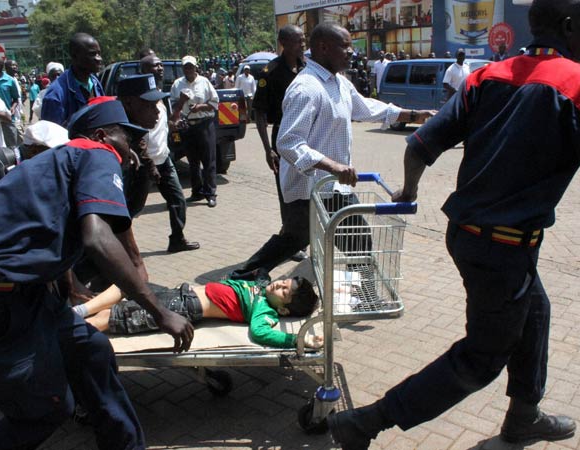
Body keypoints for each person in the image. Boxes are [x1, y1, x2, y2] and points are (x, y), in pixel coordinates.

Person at [328, 0, 580, 448]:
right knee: (482, 356)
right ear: (567, 26)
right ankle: (367, 422)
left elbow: (419, 145)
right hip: (504, 246)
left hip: (467, 236)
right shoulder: (575, 85)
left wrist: (409, 192)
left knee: (535, 311)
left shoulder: (487, 76)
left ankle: (525, 415)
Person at [0, 98, 194, 450]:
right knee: (46, 410)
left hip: (25, 293)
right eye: (127, 136)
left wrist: (68, 287)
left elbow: (52, 232)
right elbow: (97, 238)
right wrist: (160, 311)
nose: (134, 146)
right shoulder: (96, 153)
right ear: (101, 136)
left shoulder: (65, 162)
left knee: (92, 349)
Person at [233, 24, 434, 277]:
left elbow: (366, 107)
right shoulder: (306, 88)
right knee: (344, 239)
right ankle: (243, 278)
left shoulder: (338, 82)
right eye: (345, 46)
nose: (351, 52)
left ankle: (244, 276)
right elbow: (288, 142)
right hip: (312, 186)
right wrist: (333, 166)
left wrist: (414, 114)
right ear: (323, 48)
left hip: (330, 186)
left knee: (313, 239)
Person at [74, 275, 323, 349]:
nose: (279, 285)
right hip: (179, 294)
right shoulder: (262, 288)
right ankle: (77, 312)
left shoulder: (266, 310)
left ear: (283, 308)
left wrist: (298, 339)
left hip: (180, 307)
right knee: (126, 284)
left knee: (111, 318)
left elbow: (260, 334)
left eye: (284, 293)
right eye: (284, 282)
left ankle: (64, 333)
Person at [119, 69, 200, 253]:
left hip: (164, 160)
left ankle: (177, 240)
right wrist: (149, 166)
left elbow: (168, 124)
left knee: (178, 200)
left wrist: (179, 111)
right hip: (142, 166)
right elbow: (138, 142)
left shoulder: (159, 103)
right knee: (132, 207)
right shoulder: (120, 128)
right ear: (130, 102)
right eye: (152, 66)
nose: (159, 69)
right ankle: (121, 246)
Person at [252, 25, 308, 263]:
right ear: (284, 42)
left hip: (308, 135)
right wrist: (268, 149)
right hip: (283, 138)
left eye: (304, 40)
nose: (303, 44)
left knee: (309, 189)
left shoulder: (307, 67)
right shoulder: (270, 72)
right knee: (288, 192)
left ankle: (305, 235)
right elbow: (260, 113)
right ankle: (290, 239)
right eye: (298, 40)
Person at [170, 55, 219, 207]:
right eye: (186, 67)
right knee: (192, 161)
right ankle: (196, 191)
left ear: (196, 67)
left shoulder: (204, 82)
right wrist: (182, 100)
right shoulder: (177, 84)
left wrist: (200, 107)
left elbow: (215, 102)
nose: (188, 69)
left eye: (191, 66)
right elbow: (173, 107)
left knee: (208, 160)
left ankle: (210, 194)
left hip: (204, 124)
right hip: (187, 125)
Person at [41, 33, 104, 126]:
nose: (99, 59)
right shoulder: (55, 96)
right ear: (75, 56)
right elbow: (51, 137)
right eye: (92, 54)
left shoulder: (95, 83)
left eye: (99, 53)